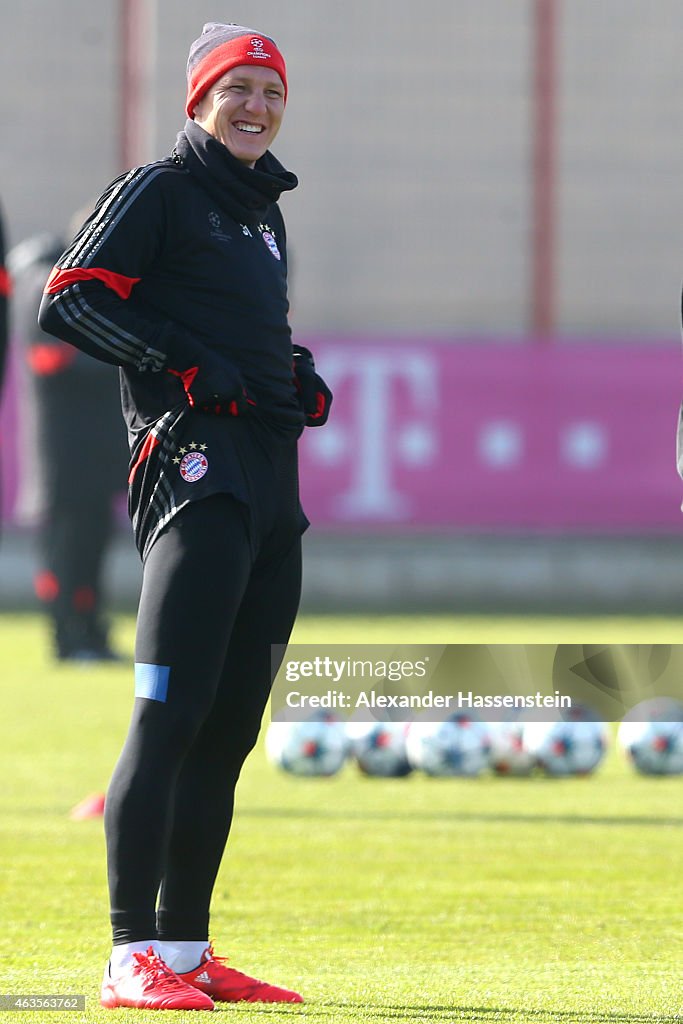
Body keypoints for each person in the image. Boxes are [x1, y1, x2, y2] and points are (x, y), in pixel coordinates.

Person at [39, 22, 331, 1012]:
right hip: (193, 472)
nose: (253, 106)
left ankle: (187, 948)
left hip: (268, 482)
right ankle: (129, 959)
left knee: (228, 730)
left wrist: (290, 373)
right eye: (234, 90)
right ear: (198, 100)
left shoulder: (261, 215)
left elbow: (244, 328)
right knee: (169, 719)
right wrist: (182, 363)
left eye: (269, 92)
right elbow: (69, 299)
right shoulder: (157, 190)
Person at [9, 229, 127, 662]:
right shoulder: (38, 289)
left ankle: (90, 633)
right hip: (63, 457)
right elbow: (54, 358)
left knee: (91, 546)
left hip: (88, 455)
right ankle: (68, 636)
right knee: (68, 550)